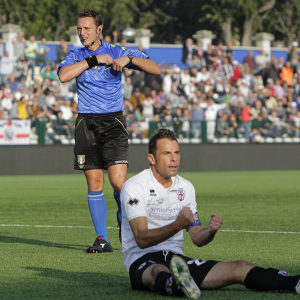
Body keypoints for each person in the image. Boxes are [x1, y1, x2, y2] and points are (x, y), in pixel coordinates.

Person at [120, 128, 300, 299]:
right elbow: (141, 239)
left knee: (239, 266)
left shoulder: (185, 187)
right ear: (152, 158)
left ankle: (294, 282)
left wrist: (210, 231)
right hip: (143, 261)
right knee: (158, 271)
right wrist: (177, 225)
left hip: (178, 261)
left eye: (177, 153)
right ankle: (175, 284)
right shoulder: (135, 186)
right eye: (167, 154)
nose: (174, 159)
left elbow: (197, 237)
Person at [57, 9, 160, 253]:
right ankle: (102, 239)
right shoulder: (76, 54)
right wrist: (93, 60)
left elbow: (155, 68)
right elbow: (63, 76)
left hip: (113, 122)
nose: (82, 33)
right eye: (79, 29)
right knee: (94, 183)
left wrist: (130, 60)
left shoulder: (117, 50)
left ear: (99, 29)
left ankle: (124, 219)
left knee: (118, 183)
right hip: (86, 123)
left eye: (87, 28)